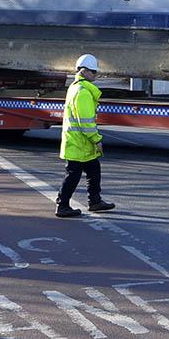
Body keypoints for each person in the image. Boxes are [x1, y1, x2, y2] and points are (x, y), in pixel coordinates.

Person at [55, 54, 115, 218]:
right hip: (79, 142)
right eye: (94, 72)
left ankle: (95, 201)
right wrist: (97, 140)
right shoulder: (83, 93)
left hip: (78, 141)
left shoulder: (75, 88)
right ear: (85, 71)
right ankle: (63, 205)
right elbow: (86, 123)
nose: (96, 75)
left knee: (93, 170)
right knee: (73, 174)